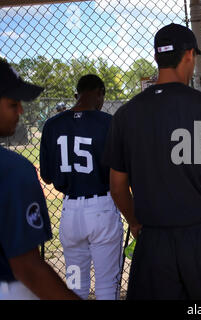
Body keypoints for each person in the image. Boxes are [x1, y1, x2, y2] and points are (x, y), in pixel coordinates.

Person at [102, 23, 201, 300]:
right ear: (189, 55)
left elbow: (117, 187)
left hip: (153, 244)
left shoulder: (126, 114)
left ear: (157, 58)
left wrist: (136, 223)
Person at [0, 60, 79, 300]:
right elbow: (28, 268)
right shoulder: (13, 170)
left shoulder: (54, 126)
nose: (21, 111)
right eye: (13, 103)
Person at [40, 74, 123, 300]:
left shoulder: (52, 125)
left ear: (76, 95)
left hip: (70, 216)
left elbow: (47, 177)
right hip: (102, 211)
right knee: (107, 284)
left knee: (75, 284)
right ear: (99, 94)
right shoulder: (107, 122)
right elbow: (120, 175)